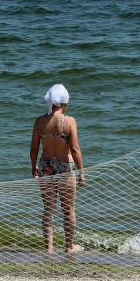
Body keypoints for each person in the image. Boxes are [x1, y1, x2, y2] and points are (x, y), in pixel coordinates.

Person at [30, 83, 85, 254]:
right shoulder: (68, 122)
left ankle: (49, 248)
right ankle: (69, 247)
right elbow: (75, 149)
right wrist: (82, 172)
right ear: (65, 104)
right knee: (68, 209)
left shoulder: (39, 122)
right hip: (65, 168)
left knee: (48, 209)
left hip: (45, 167)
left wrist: (34, 167)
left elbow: (33, 149)